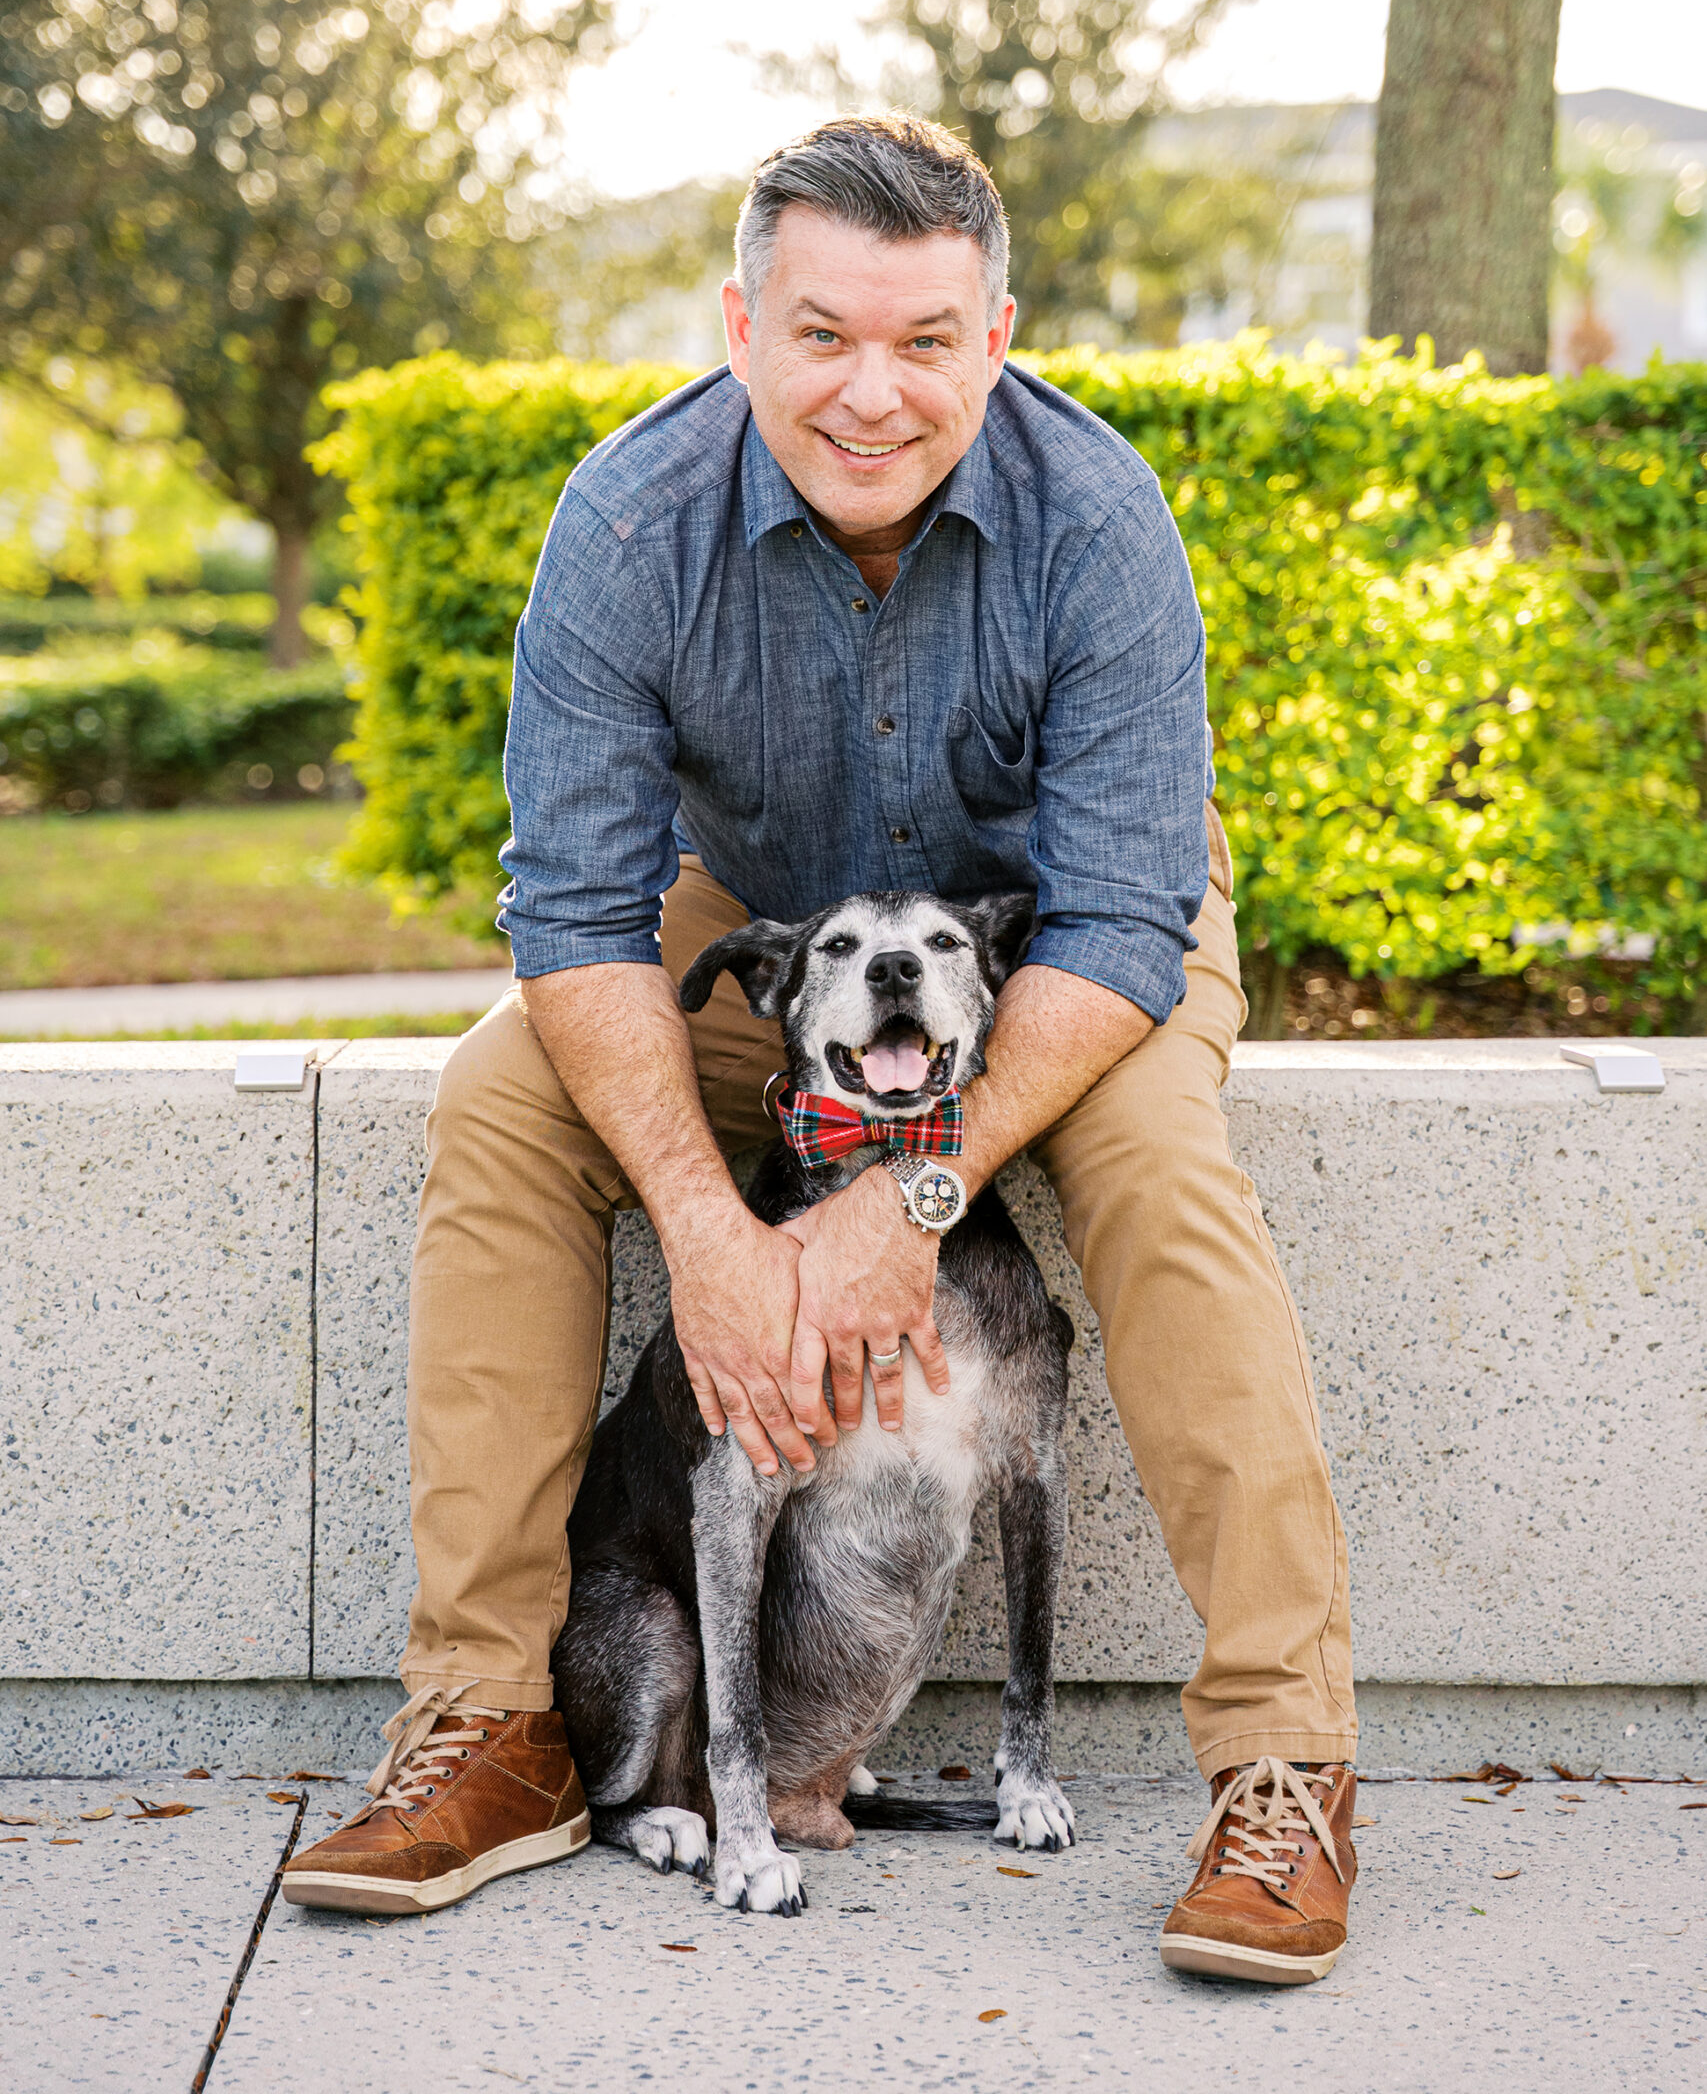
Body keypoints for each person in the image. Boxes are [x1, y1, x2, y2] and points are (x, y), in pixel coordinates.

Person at [283, 115, 1360, 1982]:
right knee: (502, 1105)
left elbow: (1120, 922)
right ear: (739, 323)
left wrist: (912, 1197)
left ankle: (1283, 1769)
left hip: (1062, 953)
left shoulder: (1098, 524)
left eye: (927, 340)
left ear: (996, 335)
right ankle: (499, 1722)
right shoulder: (628, 525)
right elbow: (577, 915)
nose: (875, 391)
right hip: (766, 925)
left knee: (1171, 1174)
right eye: (824, 334)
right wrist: (714, 1237)